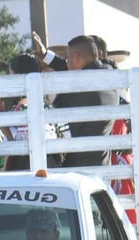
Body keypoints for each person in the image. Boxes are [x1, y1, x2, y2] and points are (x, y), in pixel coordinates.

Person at [51, 35, 119, 168]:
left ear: (76, 57)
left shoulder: (79, 89)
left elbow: (56, 112)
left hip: (79, 168)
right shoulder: (109, 77)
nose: (66, 63)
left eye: (67, 58)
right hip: (104, 163)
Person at [0, 53, 61, 171]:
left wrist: (1, 118)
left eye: (11, 75)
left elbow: (19, 141)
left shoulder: (23, 106)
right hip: (47, 161)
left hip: (27, 163)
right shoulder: (43, 102)